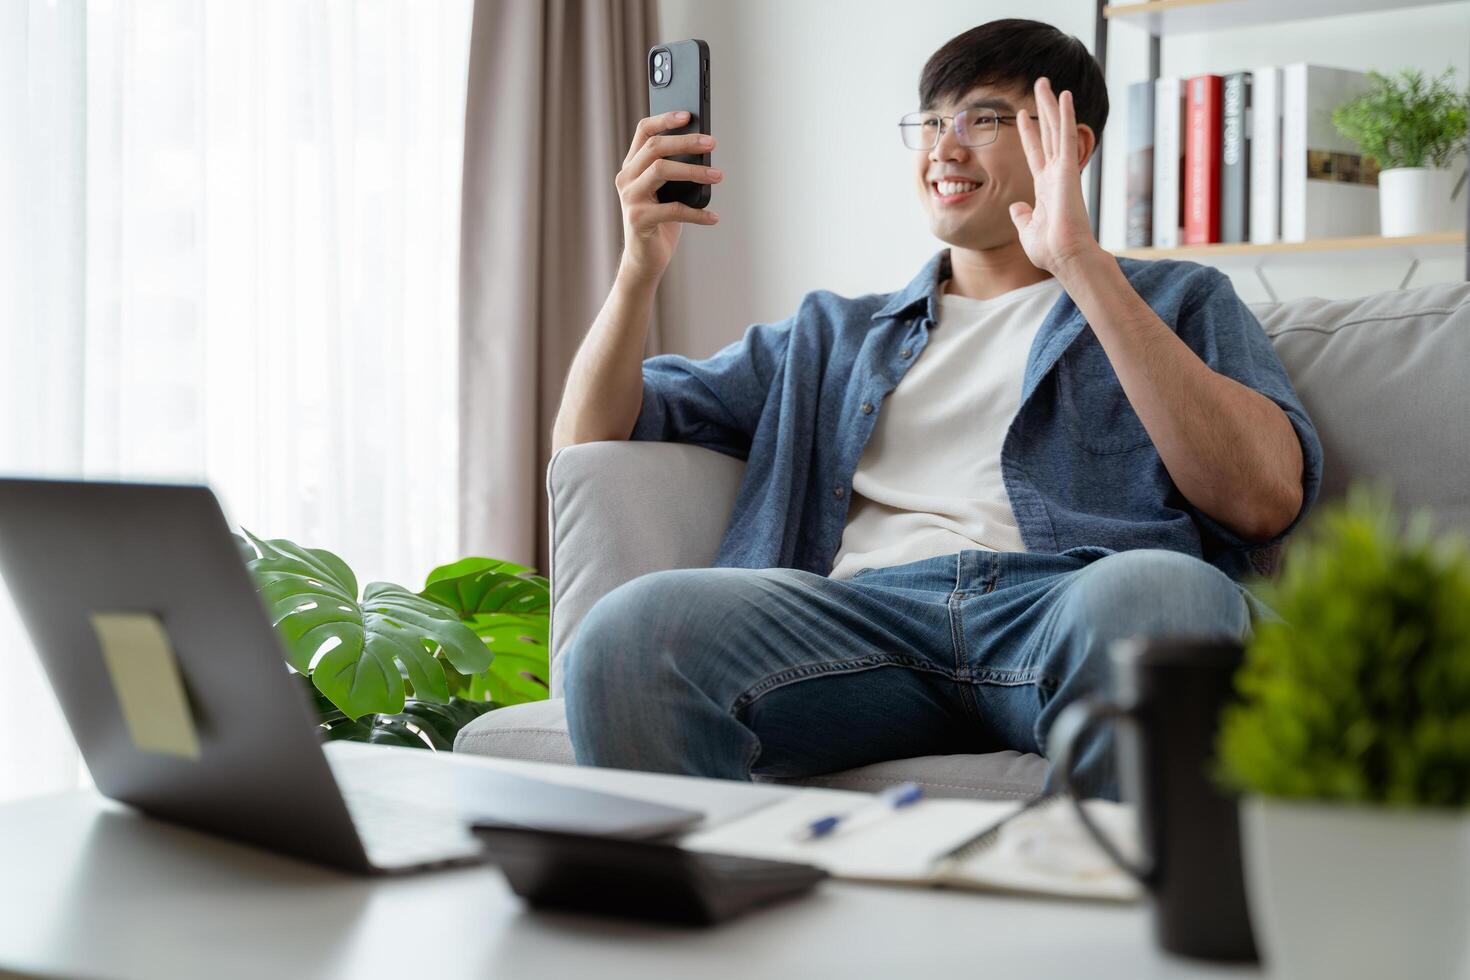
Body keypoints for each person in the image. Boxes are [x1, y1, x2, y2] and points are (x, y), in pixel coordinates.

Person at [550, 19, 1323, 800]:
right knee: (627, 635)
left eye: (982, 119)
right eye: (929, 122)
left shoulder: (1175, 301)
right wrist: (638, 268)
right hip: (858, 626)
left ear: (1073, 147)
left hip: (1065, 607)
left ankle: (1092, 903)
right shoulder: (832, 334)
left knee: (1165, 598)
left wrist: (1082, 267)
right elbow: (584, 443)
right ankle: (713, 904)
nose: (944, 148)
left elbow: (1263, 500)